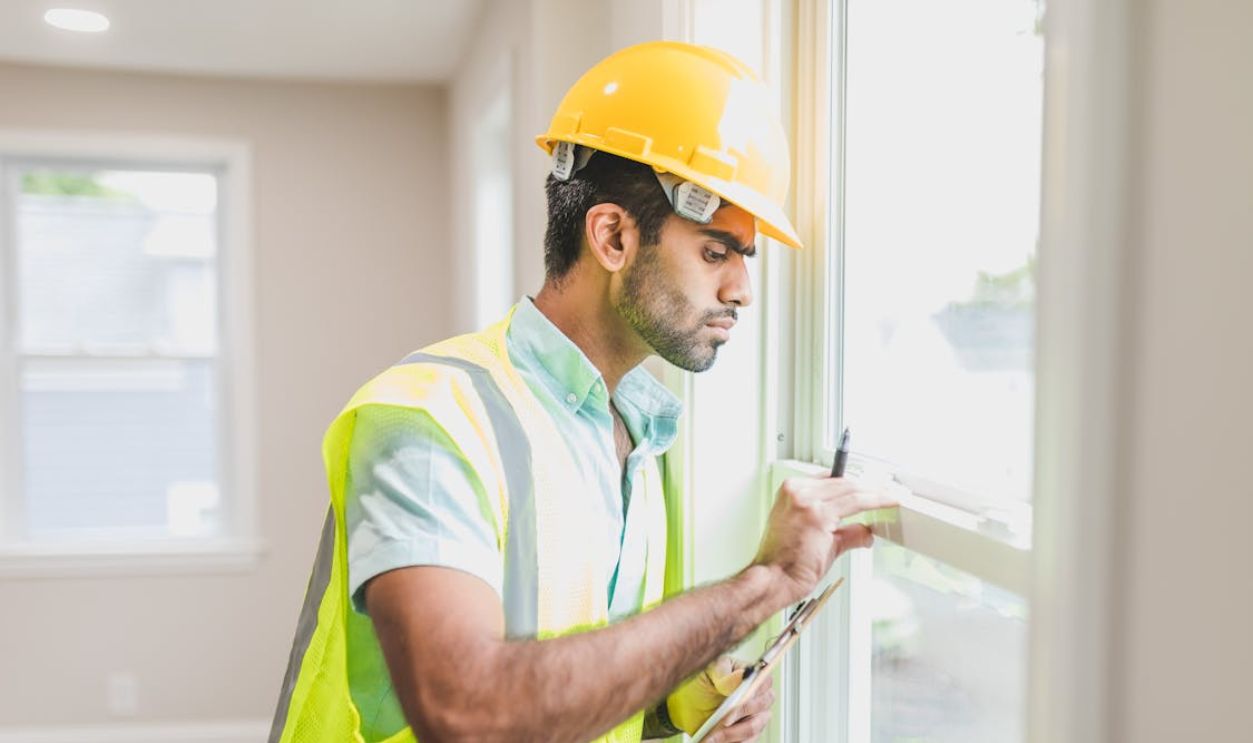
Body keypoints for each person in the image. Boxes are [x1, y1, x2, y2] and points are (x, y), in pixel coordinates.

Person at [269, 40, 896, 743]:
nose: (741, 291)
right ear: (612, 237)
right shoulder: (426, 419)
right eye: (716, 252)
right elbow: (466, 710)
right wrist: (764, 582)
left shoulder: (643, 437)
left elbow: (569, 680)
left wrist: (671, 708)